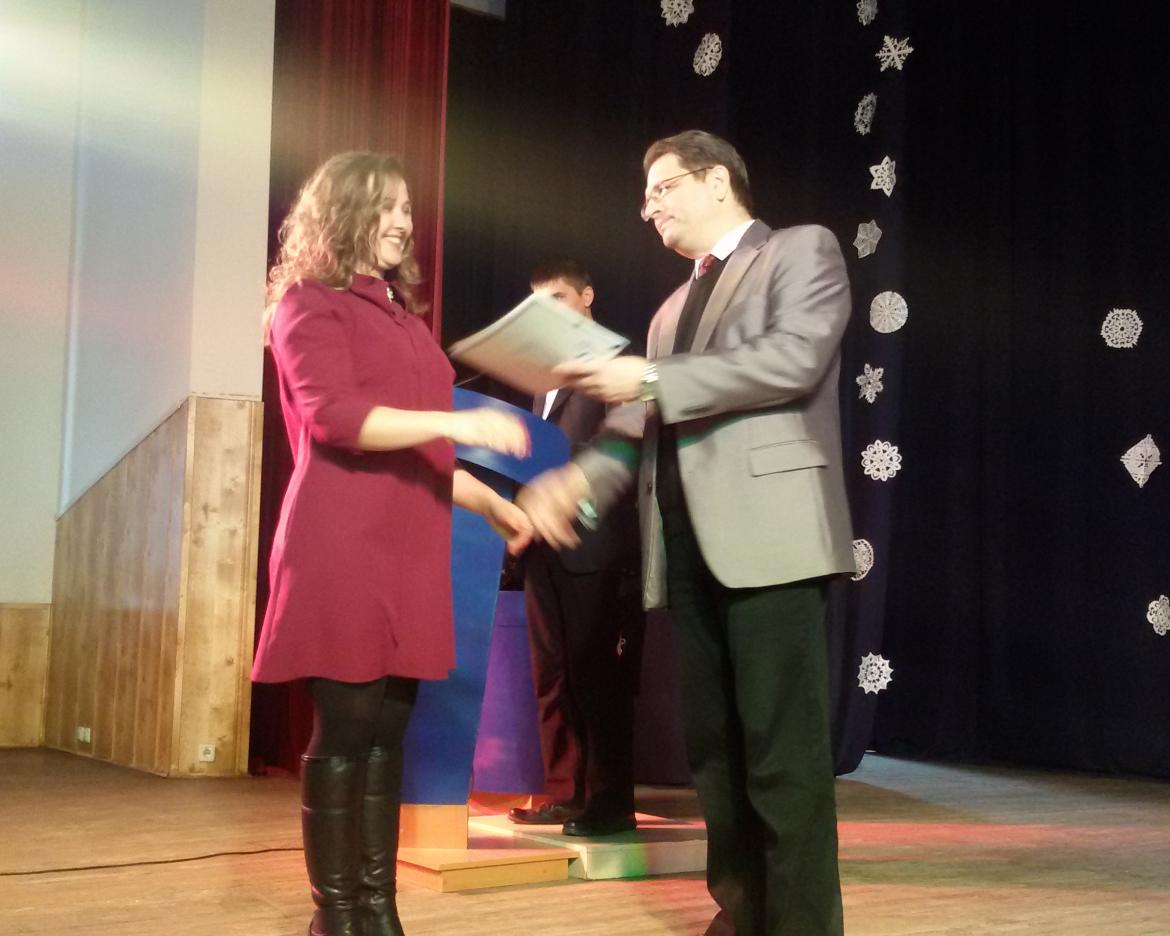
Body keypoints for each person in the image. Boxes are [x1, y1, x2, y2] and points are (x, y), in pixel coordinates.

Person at [517, 130, 854, 935]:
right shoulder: (670, 310)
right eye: (645, 197)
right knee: (716, 755)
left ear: (717, 182)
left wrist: (650, 376)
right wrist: (576, 482)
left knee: (782, 756)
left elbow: (792, 359)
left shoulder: (800, 250)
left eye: (662, 188)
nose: (649, 208)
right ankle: (740, 916)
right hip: (689, 550)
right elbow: (637, 424)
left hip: (772, 542)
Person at [251, 150, 533, 936]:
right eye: (386, 206)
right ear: (341, 212)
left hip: (409, 551)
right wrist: (458, 423)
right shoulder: (308, 304)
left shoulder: (402, 319)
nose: (404, 222)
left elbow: (424, 452)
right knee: (345, 734)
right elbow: (335, 418)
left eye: (408, 207)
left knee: (385, 740)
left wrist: (491, 503)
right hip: (342, 543)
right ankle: (336, 915)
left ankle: (379, 911)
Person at [506, 259, 643, 837]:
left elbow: (624, 454)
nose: (550, 312)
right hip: (541, 543)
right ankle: (566, 793)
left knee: (594, 674)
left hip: (594, 544)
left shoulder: (617, 366)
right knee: (552, 674)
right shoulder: (543, 377)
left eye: (559, 298)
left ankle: (609, 802)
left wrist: (573, 497)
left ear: (587, 296)